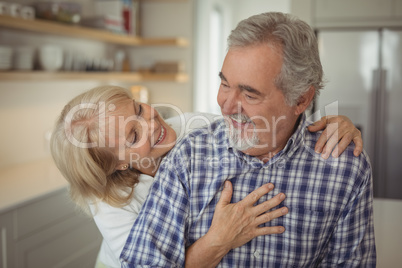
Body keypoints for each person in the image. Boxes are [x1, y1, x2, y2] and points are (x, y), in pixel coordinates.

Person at [120, 12, 376, 267]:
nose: (227, 106)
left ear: (301, 99)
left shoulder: (345, 168)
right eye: (225, 84)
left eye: (250, 95)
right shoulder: (188, 156)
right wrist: (215, 242)